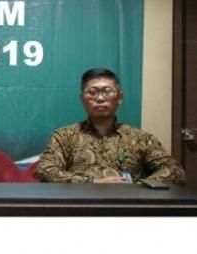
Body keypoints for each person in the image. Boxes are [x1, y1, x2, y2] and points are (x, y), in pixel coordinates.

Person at [35, 68, 186, 185]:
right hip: (81, 207)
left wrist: (137, 186)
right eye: (92, 92)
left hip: (129, 207)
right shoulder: (64, 136)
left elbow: (174, 171)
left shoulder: (141, 138)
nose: (100, 98)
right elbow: (44, 170)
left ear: (119, 97)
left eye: (107, 91)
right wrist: (91, 182)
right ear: (82, 98)